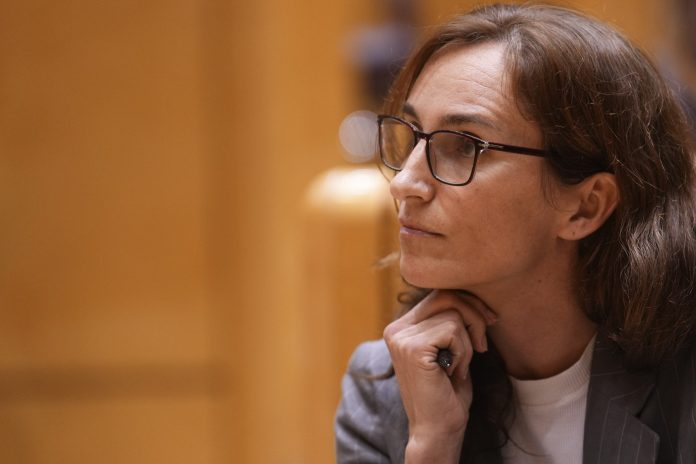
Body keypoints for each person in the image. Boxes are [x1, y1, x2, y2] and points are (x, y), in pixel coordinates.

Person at [334, 3, 696, 464]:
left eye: (464, 146)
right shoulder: (387, 389)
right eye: (413, 135)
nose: (404, 182)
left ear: (586, 206)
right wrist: (432, 444)